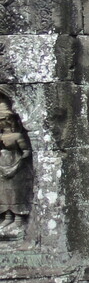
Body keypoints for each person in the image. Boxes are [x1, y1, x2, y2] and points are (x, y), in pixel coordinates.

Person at [0, 99, 31, 241]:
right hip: (2, 166)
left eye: (3, 119)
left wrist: (16, 165)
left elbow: (26, 151)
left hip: (16, 165)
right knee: (3, 193)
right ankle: (7, 216)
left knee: (15, 192)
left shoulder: (17, 136)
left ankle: (18, 219)